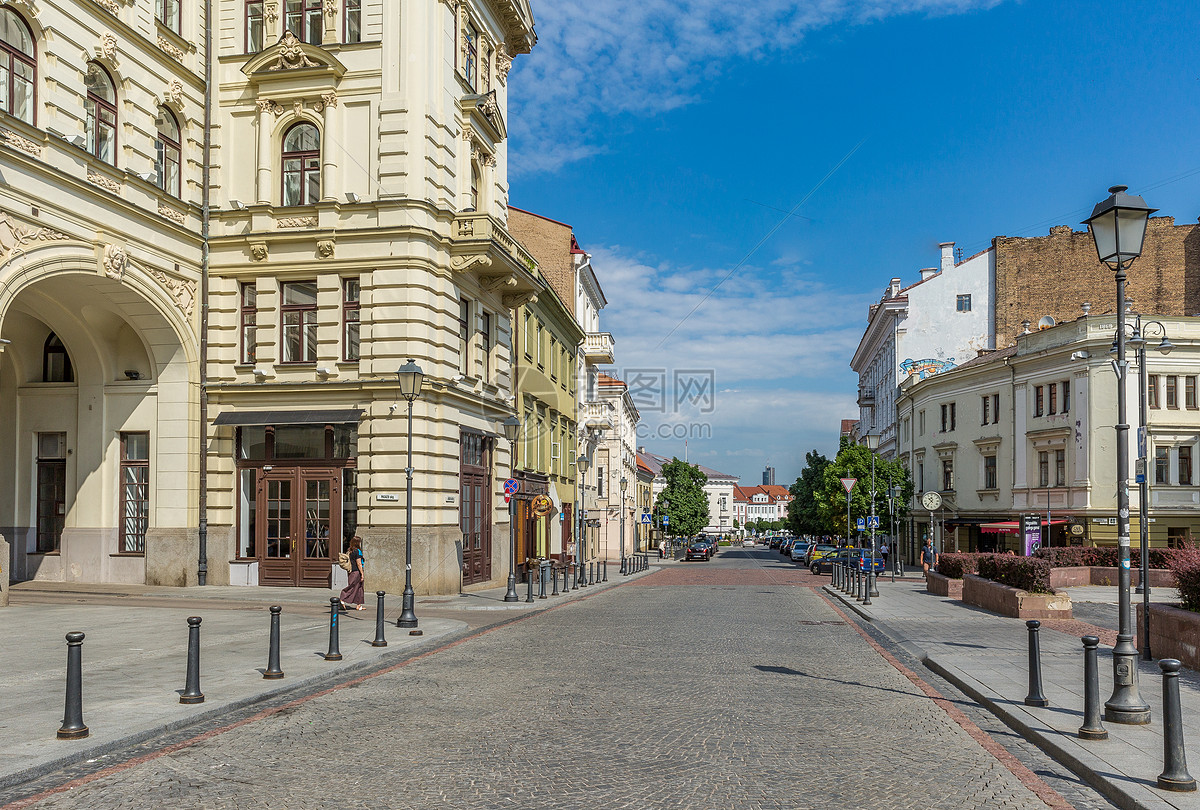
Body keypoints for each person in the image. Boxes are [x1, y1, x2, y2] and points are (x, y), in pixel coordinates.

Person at [339, 535, 366, 611]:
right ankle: (342, 599)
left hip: (351, 571)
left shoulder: (350, 550)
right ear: (358, 543)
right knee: (352, 586)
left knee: (359, 587)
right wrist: (362, 574)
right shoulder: (358, 551)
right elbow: (359, 563)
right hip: (356, 571)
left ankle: (359, 605)